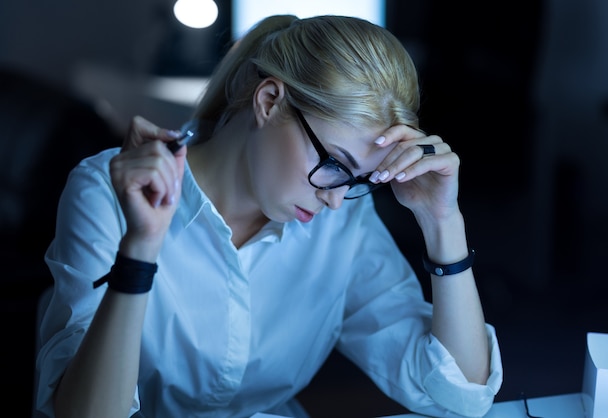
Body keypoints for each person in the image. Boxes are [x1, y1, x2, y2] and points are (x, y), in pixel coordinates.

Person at [34, 14, 503, 418]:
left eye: (357, 179)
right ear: (269, 101)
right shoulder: (109, 192)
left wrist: (443, 221)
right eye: (335, 164)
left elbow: (460, 397)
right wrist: (141, 247)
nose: (336, 200)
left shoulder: (339, 221)